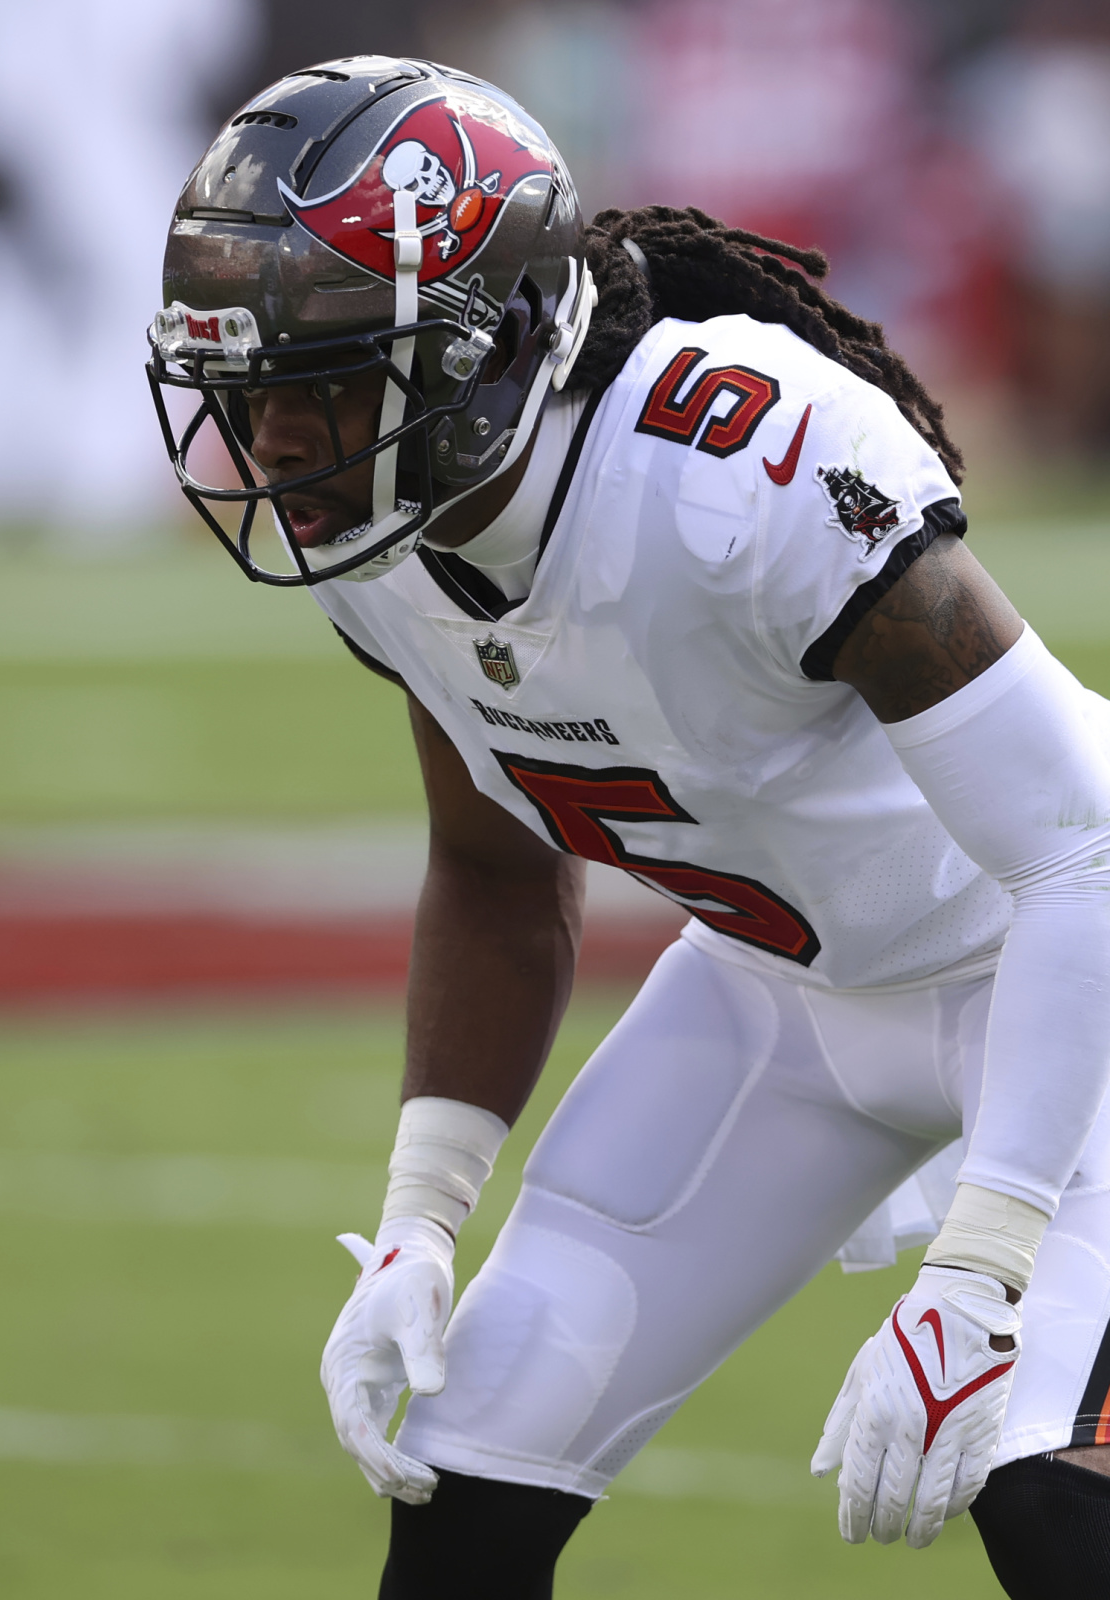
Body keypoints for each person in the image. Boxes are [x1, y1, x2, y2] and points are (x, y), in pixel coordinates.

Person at [146, 56, 1110, 1599]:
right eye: (251, 389)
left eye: (322, 378)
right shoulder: (387, 538)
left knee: (1046, 1496)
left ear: (494, 346)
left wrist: (982, 1257)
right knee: (468, 1477)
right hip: (780, 997)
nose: (273, 445)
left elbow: (1084, 853)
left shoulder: (742, 468)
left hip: (1070, 978)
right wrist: (419, 1213)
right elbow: (491, 871)